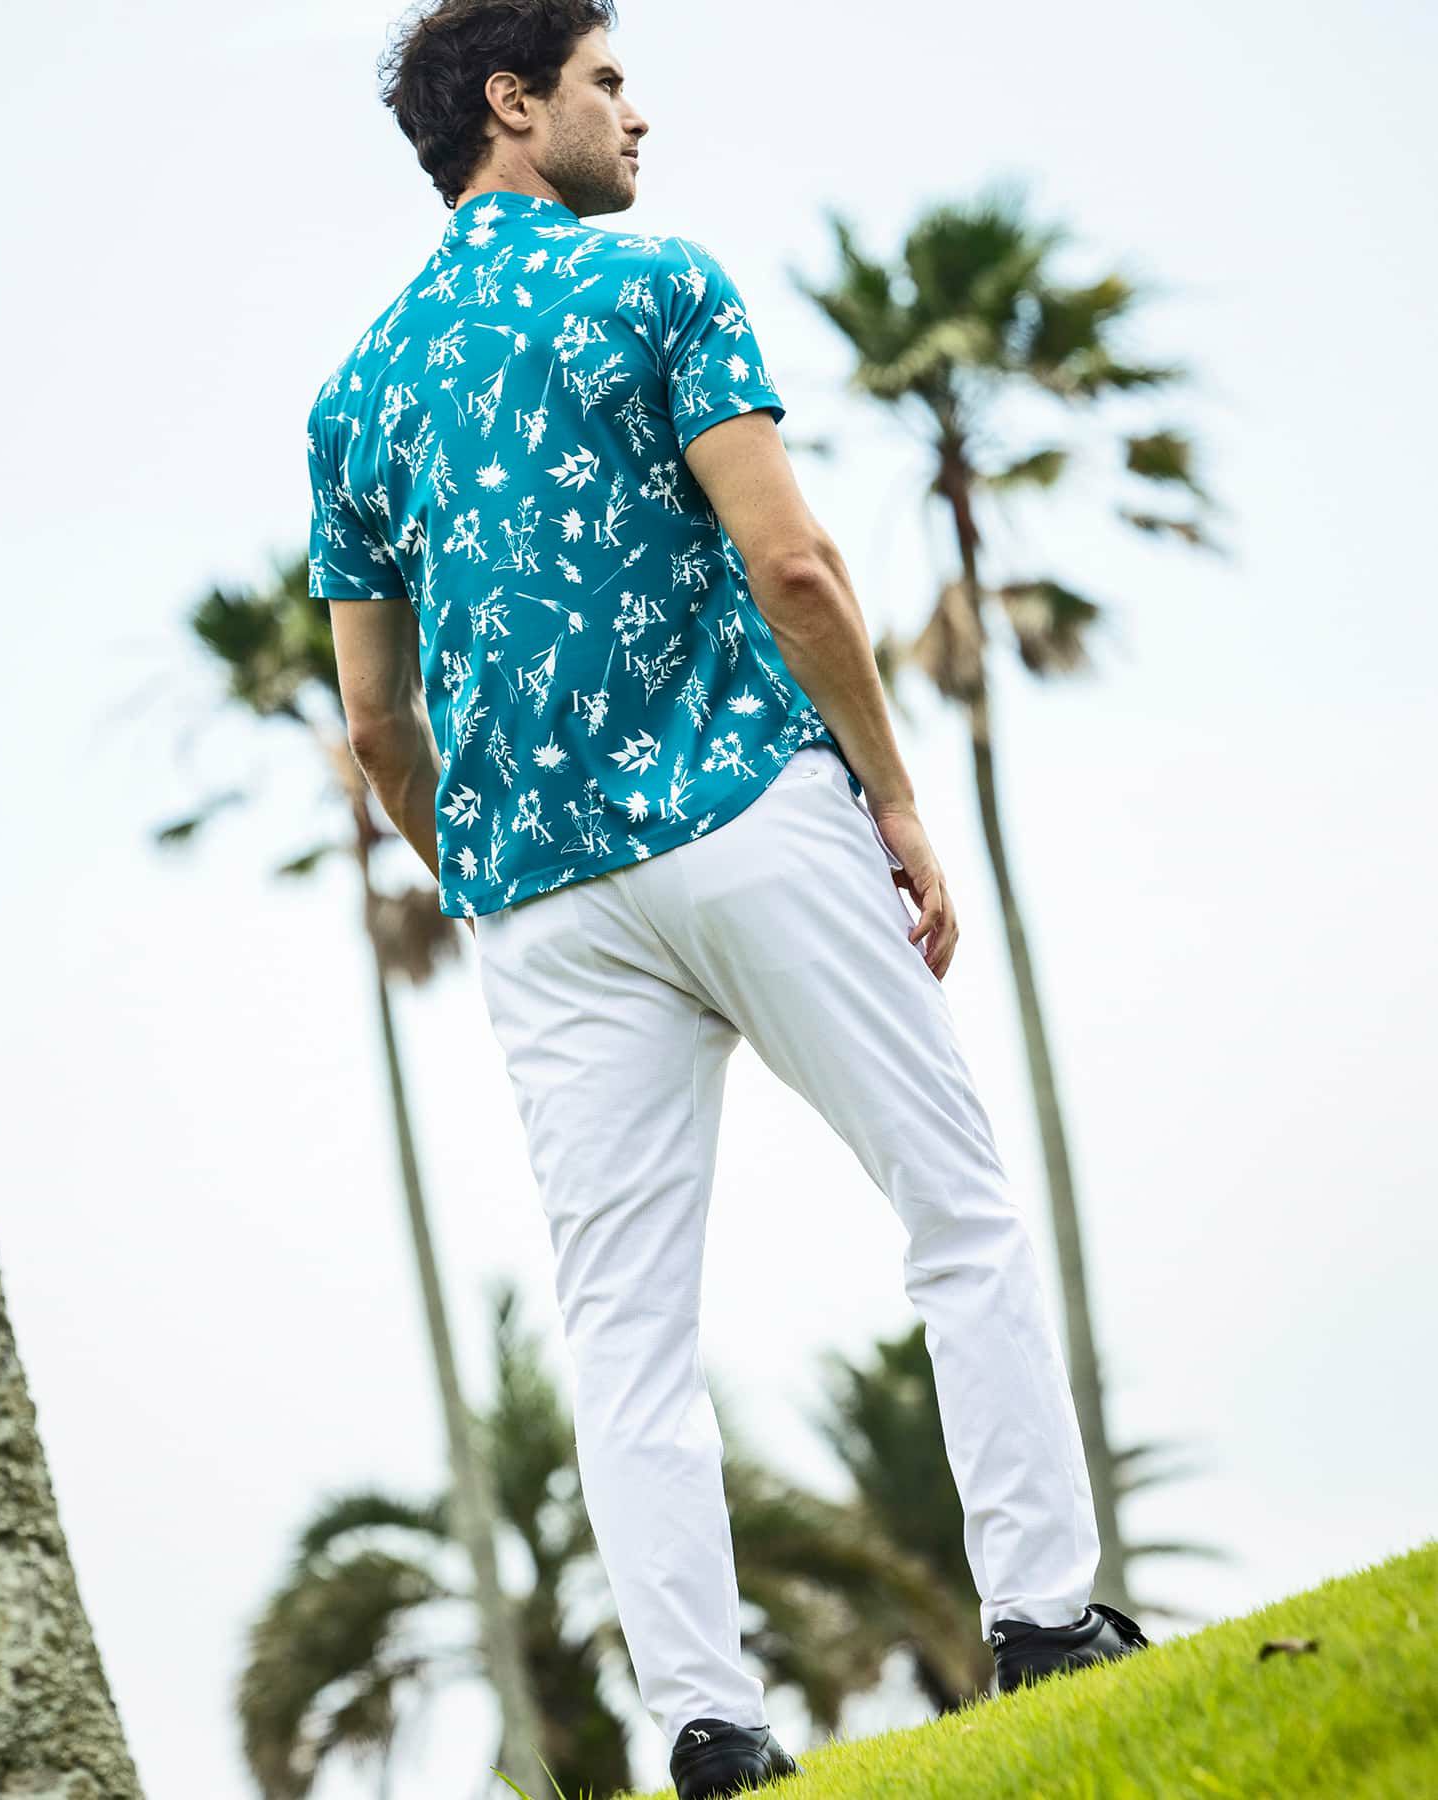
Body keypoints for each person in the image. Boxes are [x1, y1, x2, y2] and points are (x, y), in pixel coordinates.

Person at [305, 3, 1147, 1794]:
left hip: (543, 907)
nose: (637, 114)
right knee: (958, 1210)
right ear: (513, 103)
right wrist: (896, 798)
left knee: (625, 1335)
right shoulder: (659, 285)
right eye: (606, 81)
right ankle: (1042, 1616)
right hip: (745, 809)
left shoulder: (354, 398)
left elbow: (377, 729)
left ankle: (707, 1727)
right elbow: (796, 566)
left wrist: (497, 883)